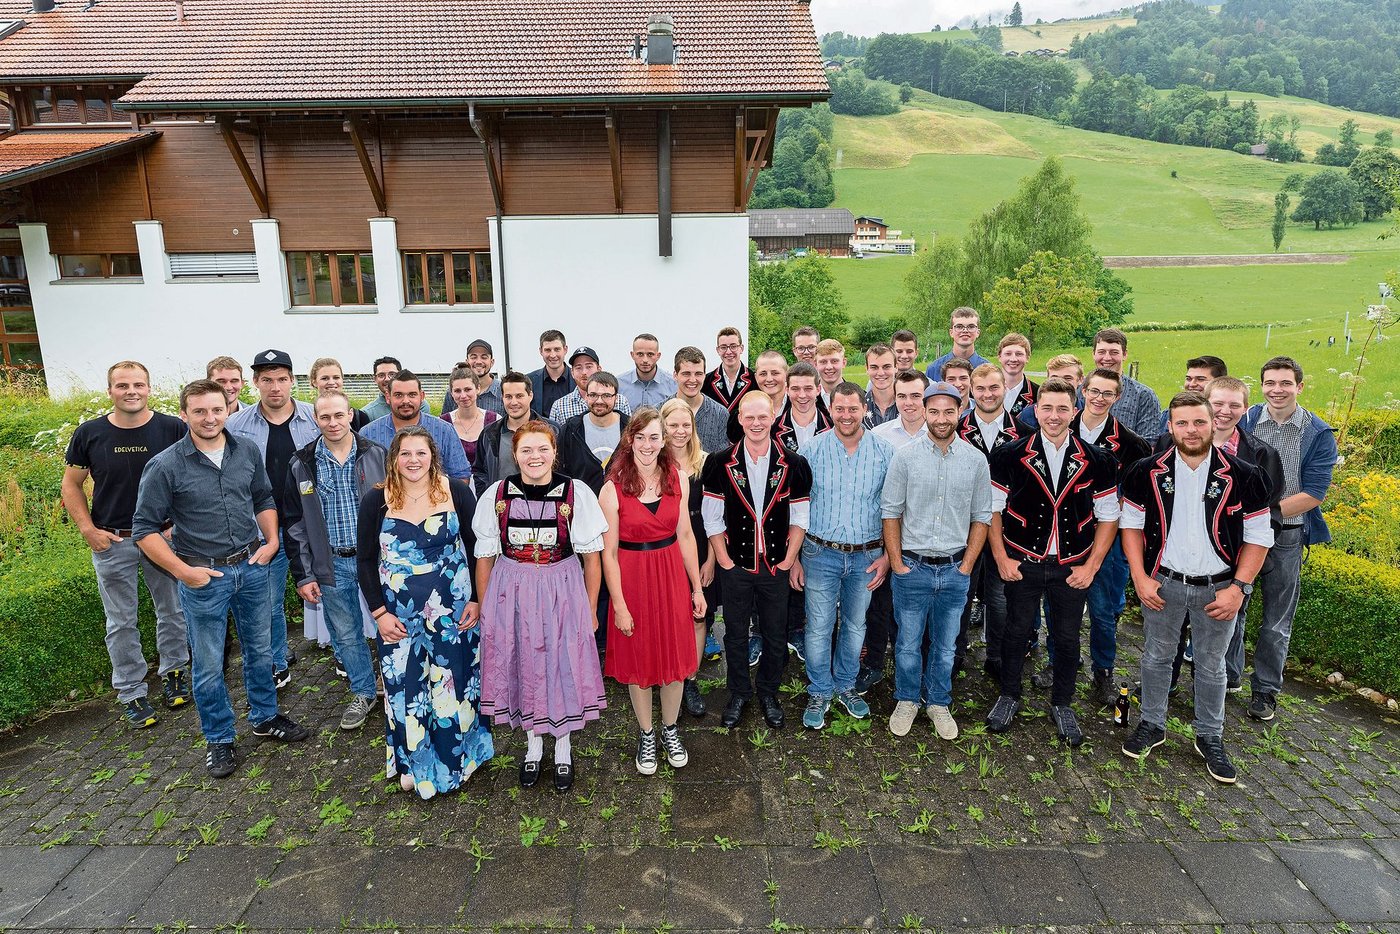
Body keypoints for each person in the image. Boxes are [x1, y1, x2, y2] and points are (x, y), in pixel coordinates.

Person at [132, 380, 310, 779]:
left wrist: (272, 540)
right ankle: (219, 738)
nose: (210, 418)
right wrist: (183, 572)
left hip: (251, 566)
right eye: (199, 411)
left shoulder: (245, 450)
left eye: (216, 409)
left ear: (227, 409)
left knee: (261, 650)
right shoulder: (165, 465)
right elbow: (144, 528)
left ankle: (264, 717)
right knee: (210, 664)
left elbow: (263, 498)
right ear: (184, 414)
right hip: (203, 577)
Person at [1120, 391, 1272, 784]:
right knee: (1155, 657)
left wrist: (1239, 588)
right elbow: (1131, 527)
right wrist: (1139, 576)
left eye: (1199, 422)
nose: (1191, 430)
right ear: (1169, 427)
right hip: (1163, 583)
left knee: (1211, 664)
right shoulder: (1145, 471)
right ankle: (1152, 724)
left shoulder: (1245, 475)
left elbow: (1258, 537)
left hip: (1219, 589)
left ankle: (1210, 735)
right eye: (1182, 423)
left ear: (1214, 423)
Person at [472, 421, 609, 792]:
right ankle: (533, 747)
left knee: (559, 663)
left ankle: (562, 749)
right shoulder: (496, 495)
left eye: (542, 449)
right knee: (525, 665)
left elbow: (592, 559)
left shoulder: (575, 493)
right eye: (526, 450)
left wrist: (590, 608)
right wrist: (487, 612)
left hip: (561, 588)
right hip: (511, 590)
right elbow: (484, 557)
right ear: (515, 455)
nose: (535, 457)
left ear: (554, 452)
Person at [356, 427, 492, 798]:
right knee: (406, 687)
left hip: (453, 611)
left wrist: (478, 599)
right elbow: (366, 561)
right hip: (398, 616)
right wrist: (380, 613)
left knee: (454, 681)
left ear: (433, 455)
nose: (413, 460)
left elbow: (479, 549)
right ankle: (412, 762)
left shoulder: (457, 492)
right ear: (393, 459)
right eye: (405, 453)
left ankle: (457, 759)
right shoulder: (376, 501)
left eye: (420, 453)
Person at [985, 378, 1120, 746]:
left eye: (1063, 408)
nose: (1054, 416)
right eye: (1047, 408)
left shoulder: (1099, 460)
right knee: (1015, 631)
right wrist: (1001, 557)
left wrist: (1091, 567)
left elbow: (1109, 517)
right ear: (1036, 410)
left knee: (1066, 635)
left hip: (1071, 566)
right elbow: (992, 510)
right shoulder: (1009, 455)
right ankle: (1009, 695)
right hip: (1022, 561)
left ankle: (1062, 702)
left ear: (1074, 411)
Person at [62, 360, 190, 728]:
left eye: (138, 384)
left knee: (173, 611)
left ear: (149, 388)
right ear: (110, 391)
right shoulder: (90, 433)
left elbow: (189, 478)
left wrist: (177, 525)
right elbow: (71, 484)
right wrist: (88, 530)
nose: (131, 391)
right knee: (120, 621)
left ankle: (175, 674)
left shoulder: (172, 428)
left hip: (162, 536)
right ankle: (132, 692)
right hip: (112, 540)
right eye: (122, 386)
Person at [882, 381, 991, 741]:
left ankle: (938, 702)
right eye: (934, 411)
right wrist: (897, 563)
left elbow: (982, 517)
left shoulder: (976, 461)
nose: (941, 418)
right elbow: (891, 512)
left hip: (955, 569)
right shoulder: (906, 457)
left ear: (960, 412)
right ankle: (907, 699)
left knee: (947, 645)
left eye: (949, 411)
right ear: (923, 412)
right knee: (908, 643)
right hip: (912, 568)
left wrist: (966, 566)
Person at [599, 410, 705, 774]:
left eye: (654, 437)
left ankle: (670, 729)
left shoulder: (678, 477)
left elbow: (687, 535)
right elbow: (608, 554)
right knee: (638, 660)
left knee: (675, 662)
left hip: (671, 575)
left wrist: (696, 588)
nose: (647, 444)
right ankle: (646, 733)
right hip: (632, 580)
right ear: (630, 440)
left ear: (664, 441)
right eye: (640, 437)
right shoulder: (611, 488)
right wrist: (619, 605)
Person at [702, 392, 812, 730]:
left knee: (775, 632)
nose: (756, 423)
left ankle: (768, 692)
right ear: (739, 419)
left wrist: (788, 560)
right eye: (749, 417)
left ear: (774, 415)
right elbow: (712, 518)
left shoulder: (793, 463)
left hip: (775, 565)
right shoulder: (720, 462)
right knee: (735, 632)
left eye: (762, 416)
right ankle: (738, 692)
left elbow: (799, 518)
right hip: (736, 564)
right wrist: (724, 562)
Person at [1240, 356, 1337, 724]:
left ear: (1300, 386)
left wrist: (1262, 512)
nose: (1276, 390)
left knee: (1276, 620)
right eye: (1270, 383)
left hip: (1287, 535)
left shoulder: (1317, 433)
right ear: (1262, 385)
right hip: (1245, 534)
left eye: (1285, 383)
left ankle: (1265, 690)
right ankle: (1230, 676)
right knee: (1234, 607)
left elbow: (1313, 492)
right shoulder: (1247, 420)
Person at [284, 390, 384, 731]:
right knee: (346, 633)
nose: (333, 423)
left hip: (378, 561)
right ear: (315, 419)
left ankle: (395, 686)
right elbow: (295, 523)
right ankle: (363, 692)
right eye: (325, 417)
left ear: (350, 416)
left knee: (391, 625)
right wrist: (304, 574)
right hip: (332, 564)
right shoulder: (302, 464)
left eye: (339, 415)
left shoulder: (378, 456)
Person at [797, 382, 892, 730]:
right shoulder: (811, 450)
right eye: (840, 409)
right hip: (820, 552)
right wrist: (794, 558)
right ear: (830, 409)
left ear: (864, 409)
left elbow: (893, 509)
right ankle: (820, 689)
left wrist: (887, 556)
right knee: (819, 626)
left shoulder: (884, 452)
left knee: (855, 626)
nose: (847, 415)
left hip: (867, 555)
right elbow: (796, 507)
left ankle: (847, 685)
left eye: (853, 409)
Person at [227, 349, 320, 688]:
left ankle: (343, 653)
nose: (275, 387)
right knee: (267, 602)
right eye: (267, 380)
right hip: (262, 530)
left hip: (311, 526)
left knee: (333, 590)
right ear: (255, 383)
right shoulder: (235, 425)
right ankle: (277, 662)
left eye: (282, 379)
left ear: (292, 380)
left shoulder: (315, 418)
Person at [1073, 368, 1150, 705]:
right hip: (1065, 534)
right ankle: (1061, 660)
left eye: (1107, 393)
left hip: (1110, 537)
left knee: (1103, 608)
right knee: (1062, 605)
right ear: (1083, 391)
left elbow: (1138, 496)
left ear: (1117, 398)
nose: (1099, 398)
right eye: (1094, 391)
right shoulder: (1061, 428)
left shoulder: (1132, 444)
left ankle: (1102, 670)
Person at [955, 363, 1021, 680]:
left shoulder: (1023, 433)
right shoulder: (956, 428)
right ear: (970, 390)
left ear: (1004, 389)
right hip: (961, 527)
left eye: (993, 387)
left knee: (999, 598)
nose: (987, 394)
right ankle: (954, 653)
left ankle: (996, 655)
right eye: (980, 389)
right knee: (961, 593)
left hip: (1005, 530)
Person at [661, 397, 719, 717]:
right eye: (673, 426)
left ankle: (691, 679)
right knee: (670, 617)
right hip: (666, 547)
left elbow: (715, 518)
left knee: (699, 618)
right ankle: (669, 678)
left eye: (686, 425)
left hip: (700, 541)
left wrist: (710, 560)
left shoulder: (706, 463)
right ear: (663, 427)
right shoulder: (653, 463)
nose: (680, 431)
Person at [362, 370, 472, 481]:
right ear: (388, 397)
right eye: (398, 395)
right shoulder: (368, 434)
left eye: (412, 395)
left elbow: (461, 475)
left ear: (422, 396)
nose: (406, 401)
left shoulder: (444, 430)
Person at [474, 371, 551, 493]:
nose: (514, 402)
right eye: (508, 397)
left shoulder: (552, 431)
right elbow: (480, 473)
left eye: (519, 396)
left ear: (530, 395)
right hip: (502, 506)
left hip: (543, 505)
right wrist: (489, 498)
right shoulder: (489, 434)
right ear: (502, 398)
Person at [559, 371, 628, 493]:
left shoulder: (630, 428)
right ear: (586, 396)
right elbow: (560, 471)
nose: (599, 401)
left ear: (616, 398)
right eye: (593, 395)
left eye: (606, 395)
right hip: (582, 506)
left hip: (623, 504)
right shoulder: (571, 430)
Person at [1091, 328, 1160, 439]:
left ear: (1124, 354)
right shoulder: (1079, 391)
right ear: (1093, 354)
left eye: (1114, 352)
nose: (1107, 358)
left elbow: (1148, 444)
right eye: (1101, 352)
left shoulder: (1144, 395)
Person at [550, 346, 635, 422]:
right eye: (578, 368)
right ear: (572, 372)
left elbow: (628, 434)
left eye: (589, 367)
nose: (584, 372)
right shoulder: (559, 406)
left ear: (599, 369)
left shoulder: (620, 401)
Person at [673, 346, 731, 454]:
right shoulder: (659, 411)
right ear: (675, 375)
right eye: (686, 374)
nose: (692, 380)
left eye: (698, 374)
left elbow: (722, 459)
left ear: (705, 375)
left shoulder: (720, 414)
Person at [440, 364, 499, 466]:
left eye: (468, 389)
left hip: (488, 481)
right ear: (451, 393)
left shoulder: (495, 420)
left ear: (478, 389)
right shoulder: (442, 423)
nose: (463, 396)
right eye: (457, 391)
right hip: (453, 481)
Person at [1155, 355, 1228, 436]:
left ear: (1220, 382)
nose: (1192, 384)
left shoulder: (1229, 416)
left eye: (1200, 379)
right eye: (1188, 379)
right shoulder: (1170, 414)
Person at [728, 351, 789, 444]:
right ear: (756, 377)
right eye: (763, 374)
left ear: (786, 374)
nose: (769, 379)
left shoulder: (798, 407)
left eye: (775, 373)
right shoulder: (741, 412)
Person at [772, 362, 831, 455]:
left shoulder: (833, 428)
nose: (802, 395)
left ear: (818, 390)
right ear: (787, 390)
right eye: (795, 389)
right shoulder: (772, 430)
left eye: (808, 388)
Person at [1018, 354, 1084, 430]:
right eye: (1055, 378)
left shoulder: (1088, 413)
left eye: (1067, 378)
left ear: (1080, 380)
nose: (1061, 382)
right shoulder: (1028, 415)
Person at [441, 339, 504, 416]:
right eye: (473, 357)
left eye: (484, 357)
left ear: (492, 362)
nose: (478, 362)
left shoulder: (503, 390)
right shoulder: (453, 392)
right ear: (467, 361)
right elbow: (444, 423)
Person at [925, 307, 989, 382]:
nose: (965, 331)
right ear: (951, 332)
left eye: (971, 327)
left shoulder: (988, 369)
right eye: (959, 327)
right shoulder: (934, 369)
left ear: (978, 332)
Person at [618, 332, 678, 410]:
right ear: (632, 355)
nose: (645, 360)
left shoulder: (674, 385)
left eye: (650, 354)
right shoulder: (619, 385)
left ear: (658, 356)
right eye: (640, 354)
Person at [309, 357, 370, 430]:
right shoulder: (306, 418)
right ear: (314, 382)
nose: (331, 382)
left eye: (336, 377)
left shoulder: (360, 418)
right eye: (325, 378)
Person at [873, 369, 930, 449]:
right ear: (895, 398)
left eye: (915, 396)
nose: (908, 403)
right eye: (902, 396)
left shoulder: (941, 434)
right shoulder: (878, 436)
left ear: (927, 398)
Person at [702, 326, 752, 411]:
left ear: (741, 348)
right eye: (723, 347)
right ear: (718, 350)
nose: (728, 352)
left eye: (733, 346)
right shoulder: (706, 381)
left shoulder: (754, 379)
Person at [528, 329, 574, 417]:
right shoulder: (529, 381)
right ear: (541, 351)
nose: (553, 355)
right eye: (548, 350)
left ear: (565, 349)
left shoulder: (579, 380)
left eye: (557, 349)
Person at [998, 333, 1037, 420]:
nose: (1013, 359)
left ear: (1027, 358)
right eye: (1008, 354)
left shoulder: (1038, 394)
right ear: (999, 357)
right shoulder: (986, 391)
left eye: (1019, 354)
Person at [864, 344, 898, 426]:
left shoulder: (909, 406)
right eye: (874, 367)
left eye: (886, 367)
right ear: (867, 369)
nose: (881, 373)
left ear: (896, 368)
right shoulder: (859, 407)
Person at [362, 356, 402, 422]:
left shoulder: (418, 404)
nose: (387, 379)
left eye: (392, 374)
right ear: (375, 379)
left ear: (401, 375)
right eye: (381, 375)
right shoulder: (367, 414)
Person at [814, 338, 846, 407]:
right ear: (815, 364)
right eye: (823, 362)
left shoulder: (859, 396)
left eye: (834, 361)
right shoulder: (808, 399)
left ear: (844, 363)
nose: (829, 367)